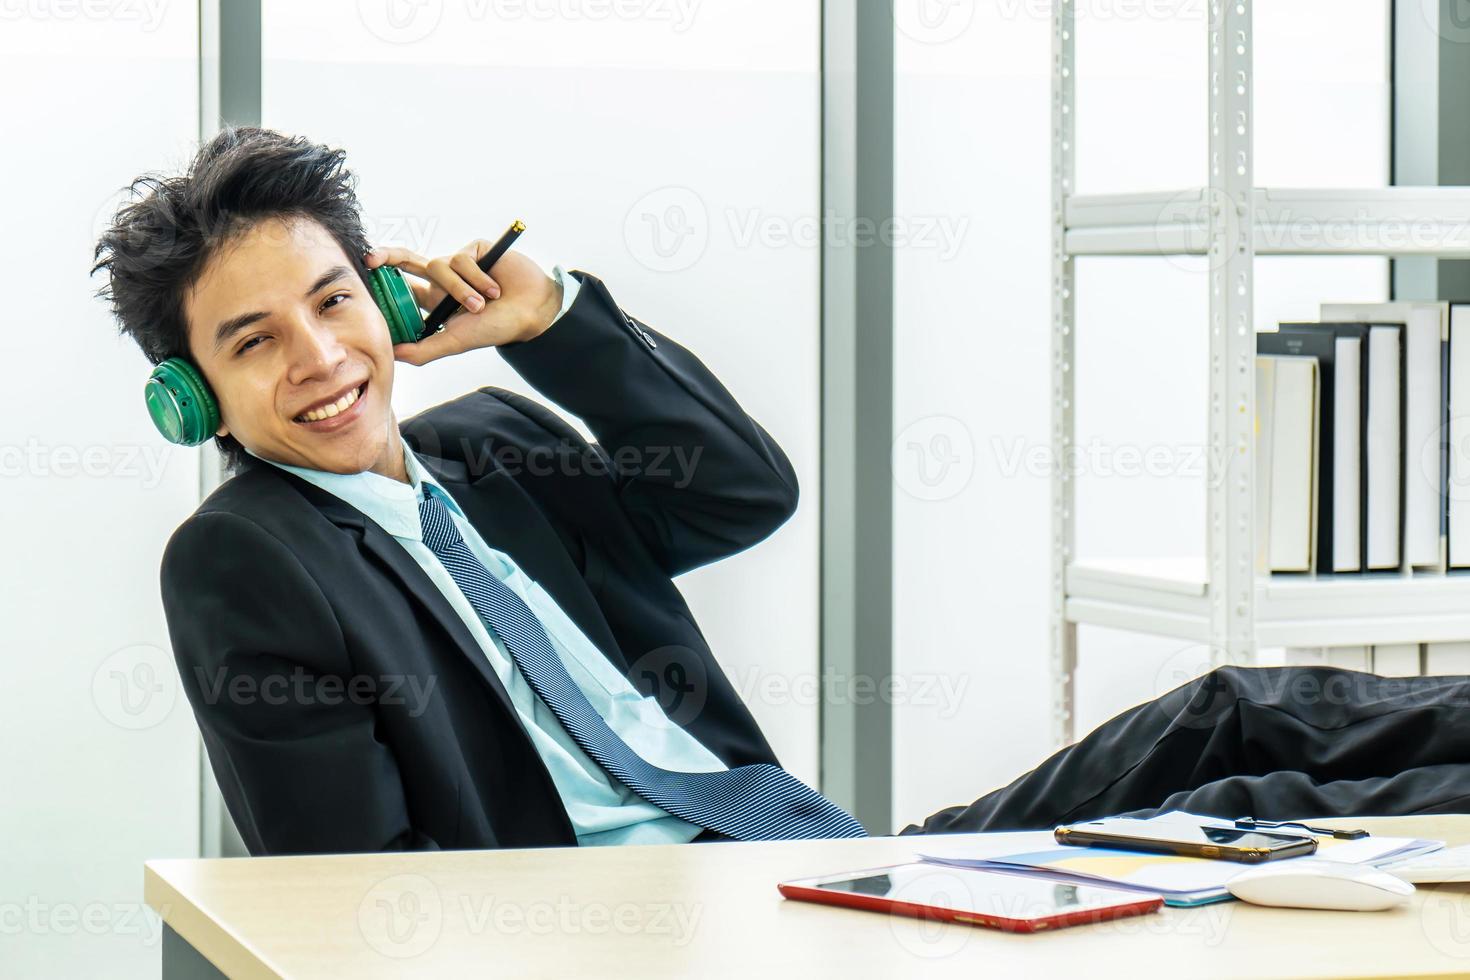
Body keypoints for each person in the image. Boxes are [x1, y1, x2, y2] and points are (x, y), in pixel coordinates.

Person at [93, 128, 1469, 857]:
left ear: (384, 297)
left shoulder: (493, 447)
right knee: (1246, 797)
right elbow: (359, 903)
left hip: (809, 861)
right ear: (192, 393)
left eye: (336, 302)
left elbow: (739, 494)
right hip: (679, 928)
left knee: (1224, 718)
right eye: (252, 339)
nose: (323, 358)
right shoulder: (245, 559)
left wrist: (554, 319)